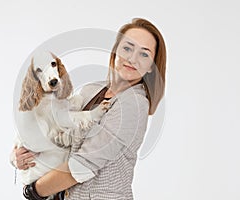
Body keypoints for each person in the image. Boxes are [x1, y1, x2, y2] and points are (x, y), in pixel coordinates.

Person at [11, 17, 167, 200]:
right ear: (115, 51)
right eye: (127, 48)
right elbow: (53, 127)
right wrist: (18, 154)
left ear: (151, 67)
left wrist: (33, 191)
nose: (132, 58)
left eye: (144, 54)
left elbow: (82, 166)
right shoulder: (91, 90)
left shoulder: (134, 105)